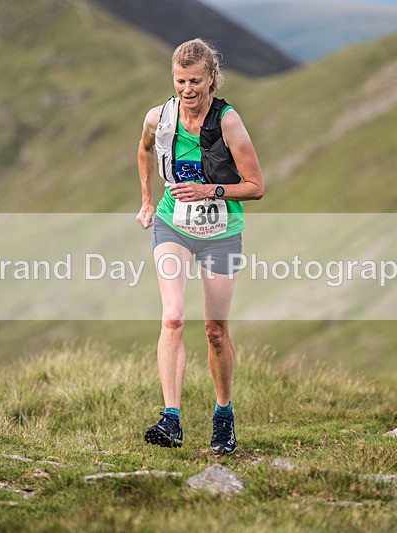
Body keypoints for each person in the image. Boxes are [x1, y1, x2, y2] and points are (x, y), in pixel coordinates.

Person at [135, 38, 265, 455]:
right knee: (172, 318)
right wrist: (147, 202)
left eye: (195, 81)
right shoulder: (159, 117)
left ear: (212, 79)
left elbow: (256, 187)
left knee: (214, 331)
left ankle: (223, 413)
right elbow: (142, 151)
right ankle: (171, 419)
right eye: (180, 81)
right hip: (173, 224)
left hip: (222, 231)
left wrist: (210, 189)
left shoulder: (229, 123)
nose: (187, 89)